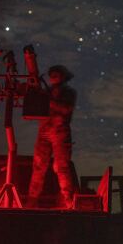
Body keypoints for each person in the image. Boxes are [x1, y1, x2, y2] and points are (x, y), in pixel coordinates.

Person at [27, 65, 77, 209]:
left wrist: (48, 101)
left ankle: (67, 200)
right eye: (52, 75)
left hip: (60, 132)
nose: (53, 77)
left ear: (62, 77)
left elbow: (66, 109)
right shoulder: (45, 92)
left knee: (61, 166)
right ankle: (32, 201)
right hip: (44, 131)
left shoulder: (69, 93)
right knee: (38, 166)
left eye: (56, 74)